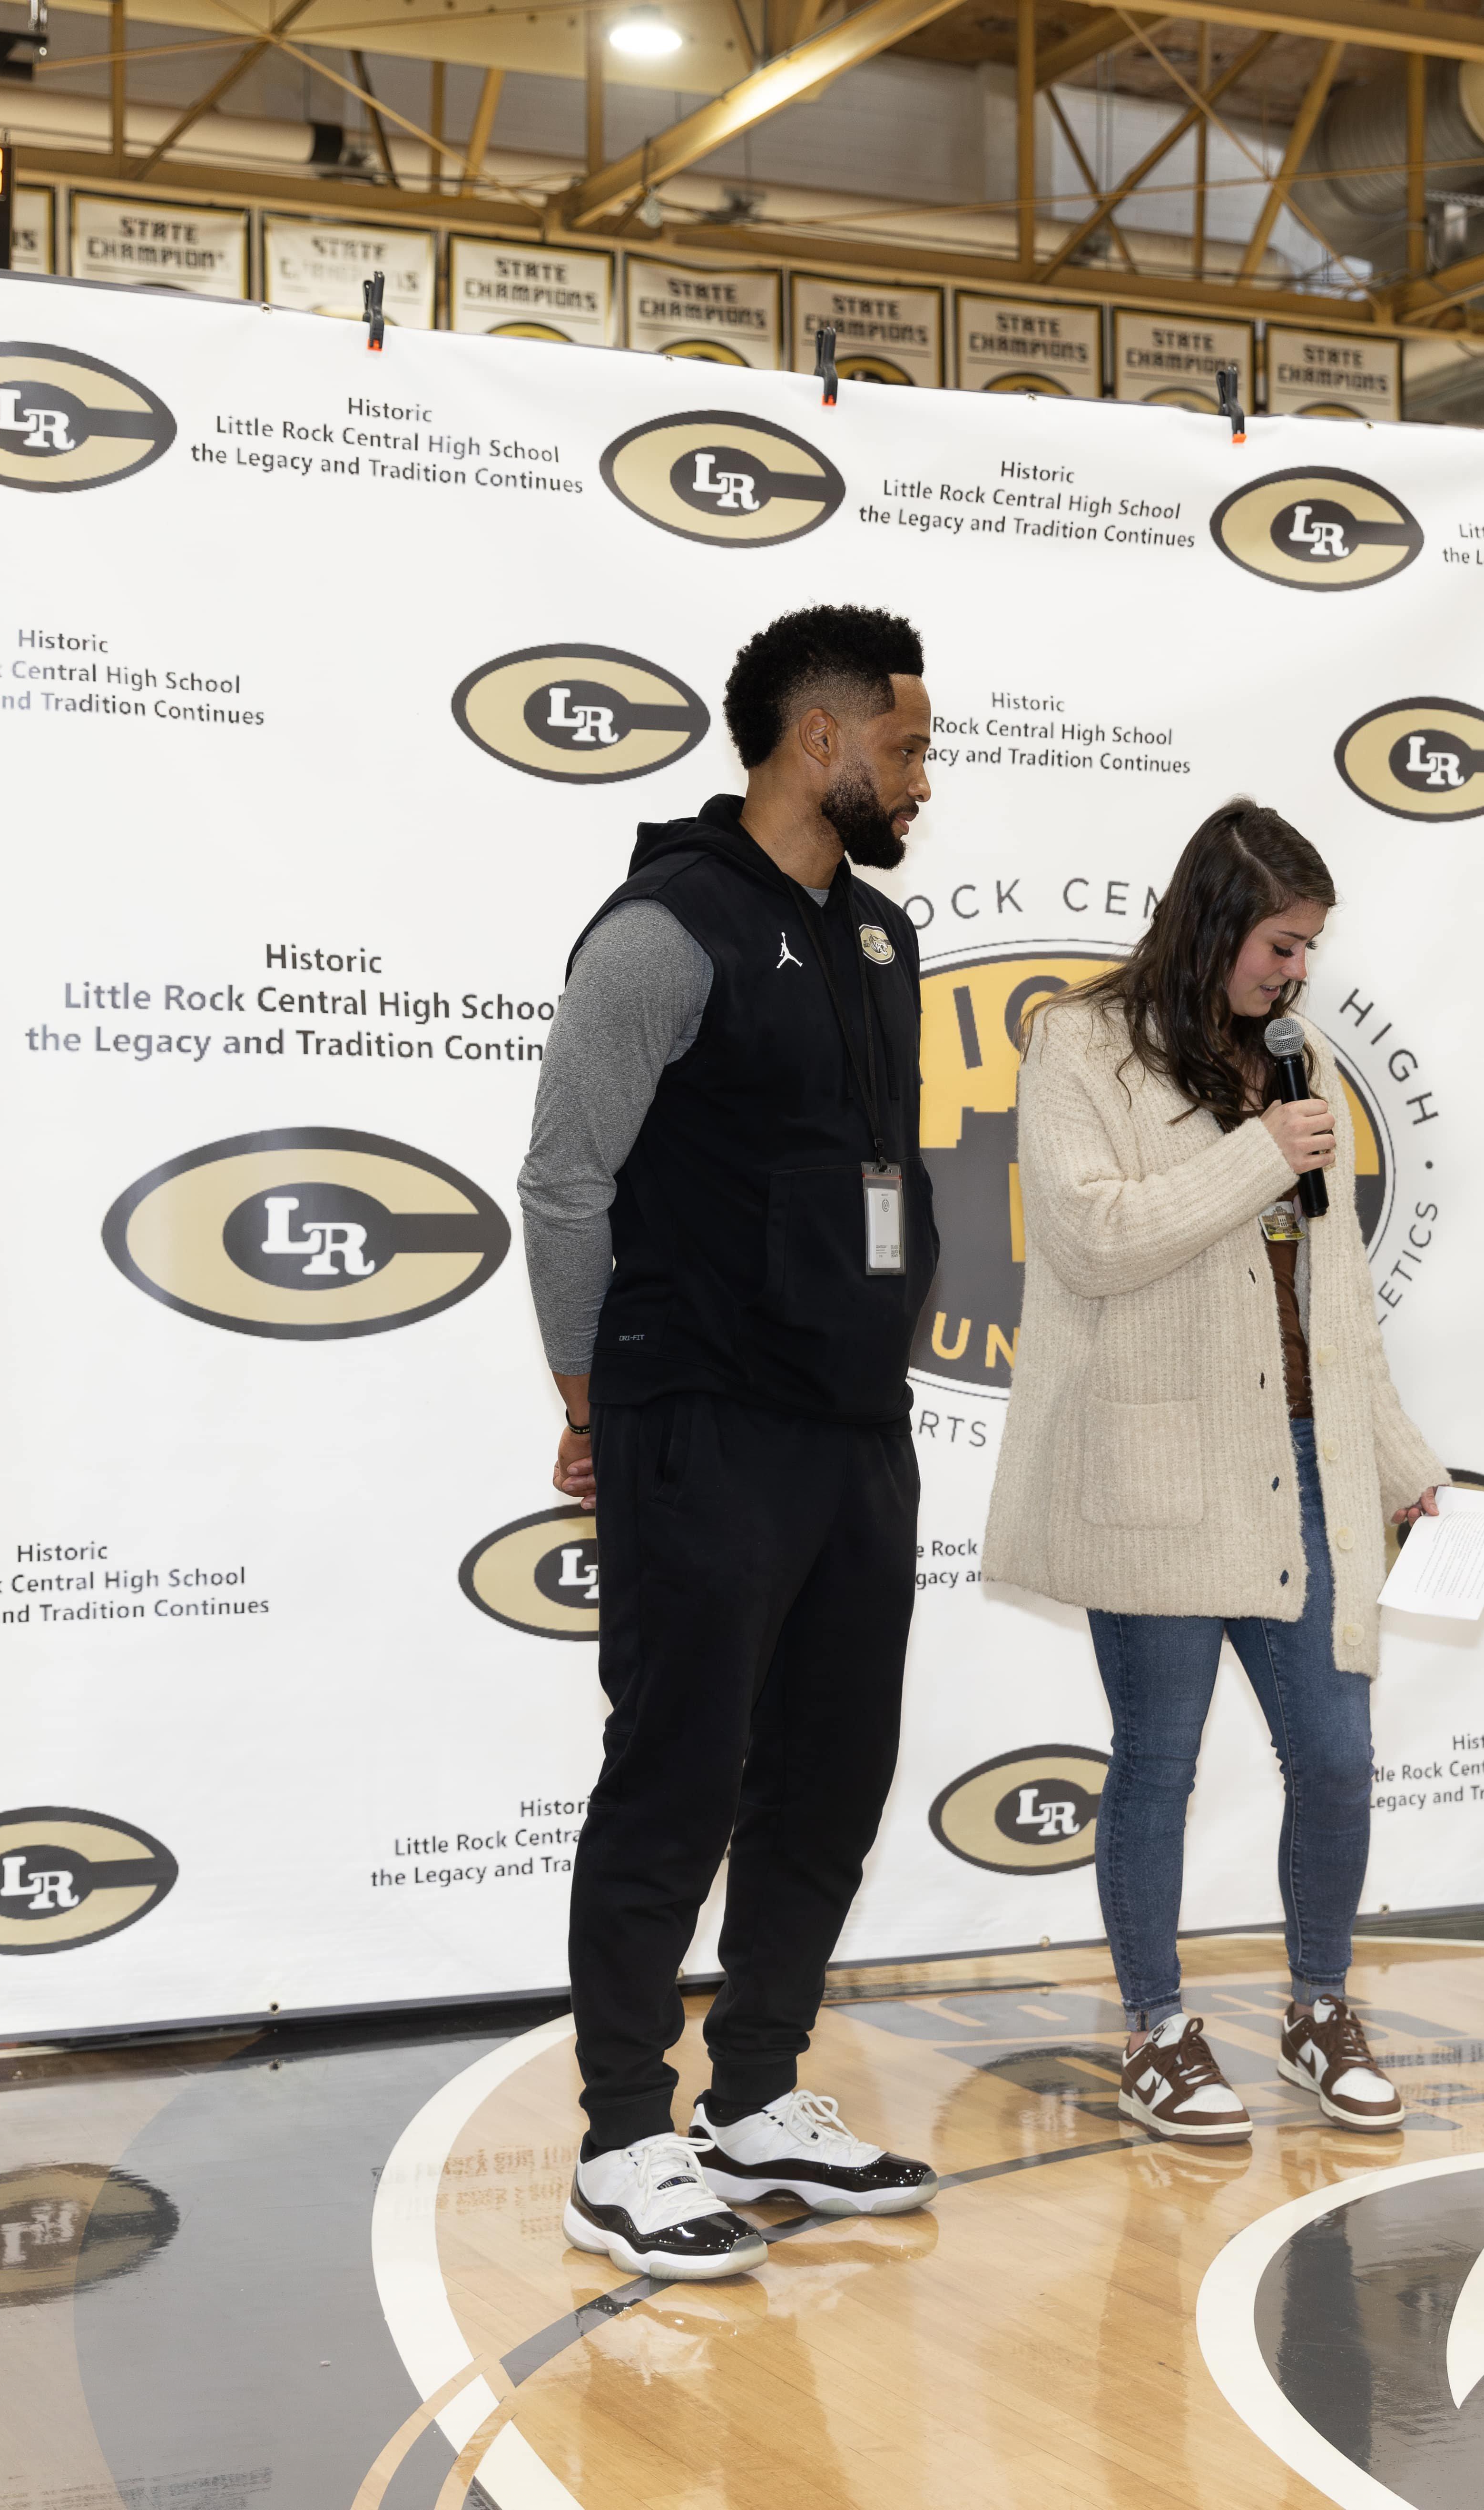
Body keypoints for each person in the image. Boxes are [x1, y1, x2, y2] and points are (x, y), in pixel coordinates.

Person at [517, 604, 947, 2281]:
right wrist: (586, 1401)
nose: (924, 775)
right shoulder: (661, 932)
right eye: (905, 746)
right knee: (677, 1770)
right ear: (820, 744)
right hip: (695, 1410)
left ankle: (755, 2090)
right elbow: (565, 1179)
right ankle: (623, 2130)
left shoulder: (884, 938)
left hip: (852, 1420)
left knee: (832, 1771)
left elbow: (875, 1194)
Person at [984, 800, 1451, 2143]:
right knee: (1159, 1760)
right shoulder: (1079, 1044)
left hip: (1302, 1459)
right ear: (1212, 922)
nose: (1294, 972)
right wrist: (1258, 1154)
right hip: (1158, 1466)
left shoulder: (1298, 1069)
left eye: (1306, 949)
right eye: (1278, 943)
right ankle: (1156, 2028)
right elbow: (1093, 1238)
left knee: (1338, 1756)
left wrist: (1404, 1466)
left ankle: (1317, 2006)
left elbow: (1341, 1295)